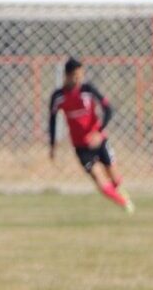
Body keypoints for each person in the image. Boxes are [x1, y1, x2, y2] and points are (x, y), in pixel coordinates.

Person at [49, 58, 134, 213]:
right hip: (81, 147)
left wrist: (98, 132)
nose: (79, 78)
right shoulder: (58, 96)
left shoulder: (88, 90)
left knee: (115, 178)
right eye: (76, 75)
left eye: (81, 74)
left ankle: (122, 195)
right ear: (67, 76)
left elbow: (108, 110)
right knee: (101, 183)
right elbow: (52, 121)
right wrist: (53, 146)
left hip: (99, 142)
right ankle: (125, 204)